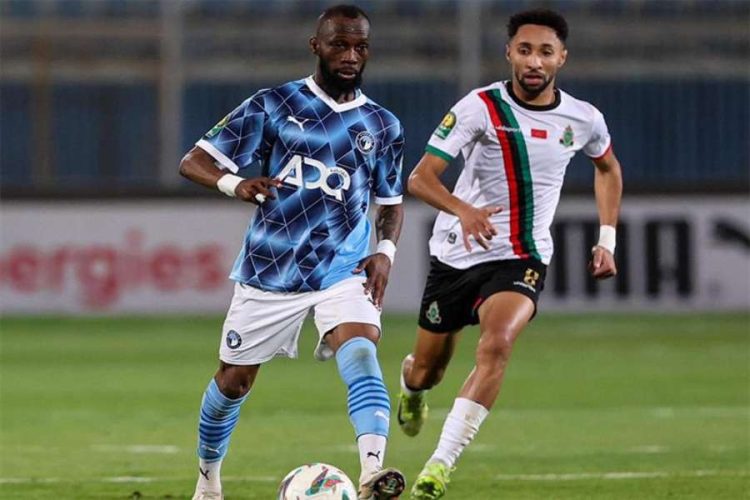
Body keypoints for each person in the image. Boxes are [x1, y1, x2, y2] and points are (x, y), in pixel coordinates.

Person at [178, 5, 406, 500]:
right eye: (339, 44)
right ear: (316, 46)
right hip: (271, 269)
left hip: (342, 269)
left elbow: (390, 203)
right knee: (234, 382)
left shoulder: (382, 125)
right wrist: (236, 184)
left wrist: (385, 251)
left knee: (361, 349)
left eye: (360, 47)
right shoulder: (274, 104)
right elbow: (193, 161)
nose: (350, 56)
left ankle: (372, 472)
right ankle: (208, 481)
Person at [398, 9, 623, 500]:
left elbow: (608, 168)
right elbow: (420, 178)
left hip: (522, 257)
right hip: (458, 254)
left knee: (497, 344)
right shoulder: (479, 107)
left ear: (562, 58)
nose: (534, 61)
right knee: (428, 370)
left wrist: (606, 239)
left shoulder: (583, 118)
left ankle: (439, 466)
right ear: (509, 54)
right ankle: (411, 389)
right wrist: (463, 211)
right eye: (525, 50)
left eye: (545, 52)